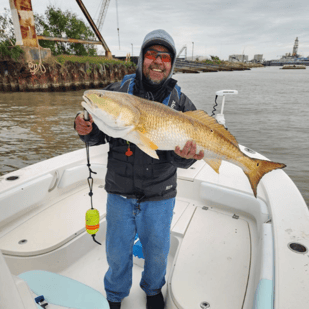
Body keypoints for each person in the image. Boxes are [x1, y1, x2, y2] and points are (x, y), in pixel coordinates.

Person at [75, 29, 204, 309]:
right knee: (117, 253)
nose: (158, 61)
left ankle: (153, 289)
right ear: (140, 59)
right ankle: (115, 294)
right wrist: (83, 126)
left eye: (165, 56)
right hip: (120, 192)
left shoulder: (180, 103)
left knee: (157, 252)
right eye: (151, 54)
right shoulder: (117, 93)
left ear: (171, 64)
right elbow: (96, 135)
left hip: (160, 194)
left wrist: (185, 156)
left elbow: (186, 159)